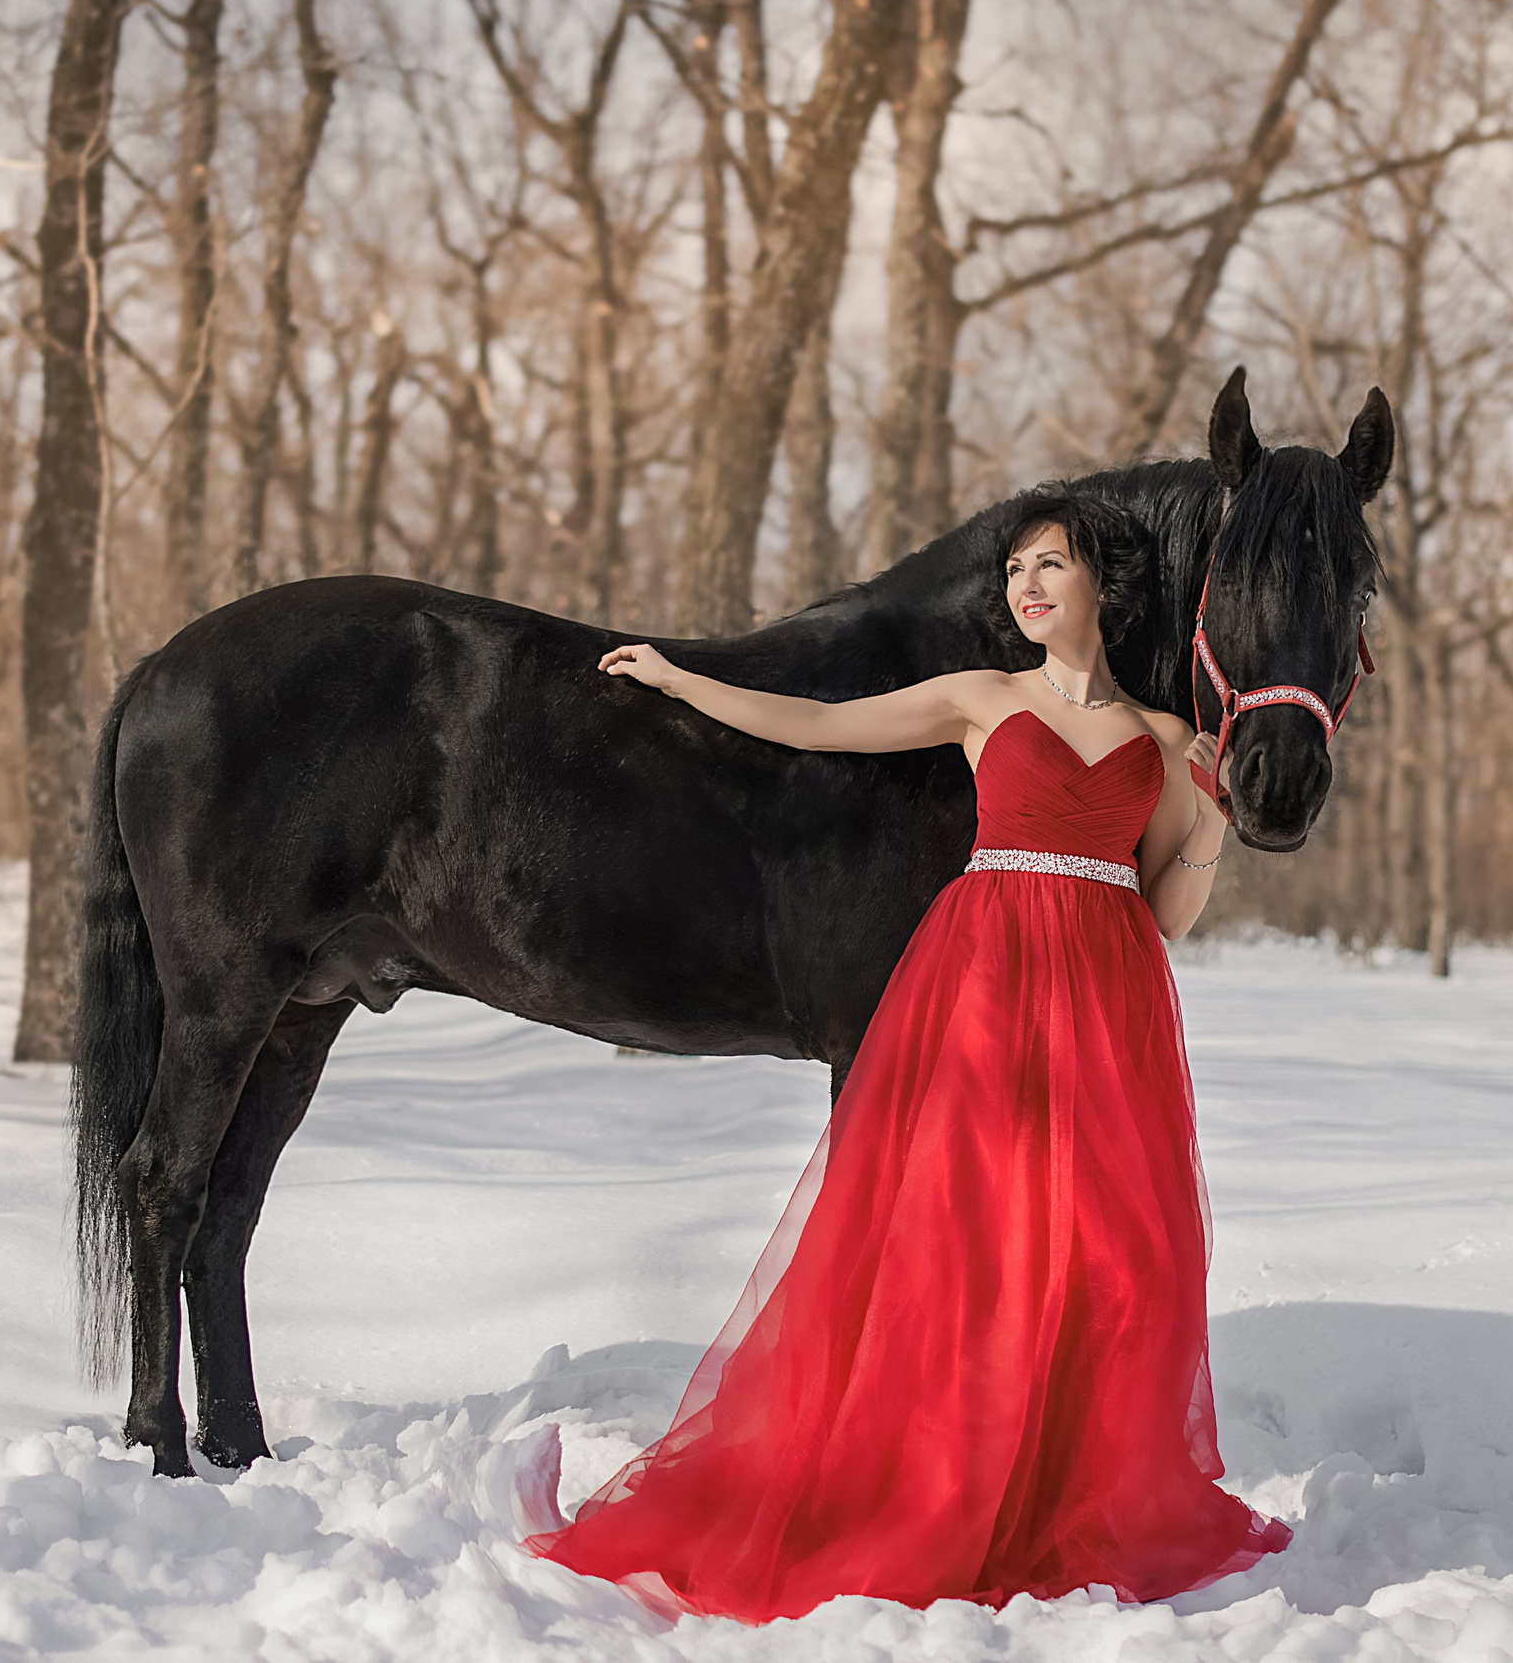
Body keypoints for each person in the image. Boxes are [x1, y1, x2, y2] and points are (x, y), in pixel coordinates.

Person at [520, 487, 1292, 1622]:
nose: (1026, 586)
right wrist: (680, 679)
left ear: (1100, 588)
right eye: (1015, 571)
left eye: (1049, 566)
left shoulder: (1166, 740)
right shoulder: (981, 698)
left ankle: (1057, 1491)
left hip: (1107, 999)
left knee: (1115, 1258)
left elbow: (1165, 909)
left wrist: (1215, 820)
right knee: (966, 1243)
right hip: (983, 984)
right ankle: (937, 1483)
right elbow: (816, 722)